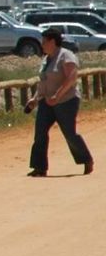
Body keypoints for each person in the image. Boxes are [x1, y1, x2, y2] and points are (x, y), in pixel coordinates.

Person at [27, 26, 93, 177]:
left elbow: (71, 77)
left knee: (70, 133)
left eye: (44, 41)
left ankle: (86, 159)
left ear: (53, 42)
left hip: (66, 101)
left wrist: (58, 95)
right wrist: (35, 99)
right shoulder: (46, 60)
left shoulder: (66, 56)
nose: (42, 44)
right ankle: (39, 167)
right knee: (40, 132)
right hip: (47, 101)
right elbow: (43, 82)